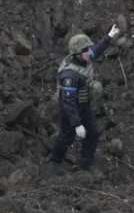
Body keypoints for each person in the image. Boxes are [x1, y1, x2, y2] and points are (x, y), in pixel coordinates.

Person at [49, 23, 122, 174]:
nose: (90, 52)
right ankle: (55, 161)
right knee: (66, 136)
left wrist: (109, 37)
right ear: (77, 53)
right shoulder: (69, 75)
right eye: (86, 50)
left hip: (84, 105)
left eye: (88, 49)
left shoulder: (84, 58)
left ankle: (85, 163)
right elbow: (68, 102)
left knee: (93, 133)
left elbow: (97, 50)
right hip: (70, 108)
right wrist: (76, 124)